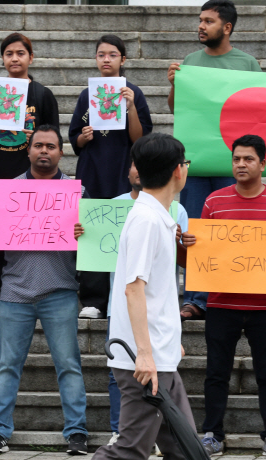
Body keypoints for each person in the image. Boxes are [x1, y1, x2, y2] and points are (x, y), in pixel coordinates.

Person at [182, 134, 266, 458]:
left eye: (248, 159)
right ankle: (212, 434)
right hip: (221, 304)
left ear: (263, 164)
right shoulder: (214, 202)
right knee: (216, 373)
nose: (241, 164)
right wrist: (188, 246)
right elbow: (199, 256)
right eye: (236, 159)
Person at [0, 125, 88, 455]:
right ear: (28, 150)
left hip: (61, 291)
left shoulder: (76, 193)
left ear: (61, 152)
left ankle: (77, 433)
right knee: (7, 366)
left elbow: (93, 249)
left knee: (69, 365)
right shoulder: (5, 193)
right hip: (14, 293)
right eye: (38, 145)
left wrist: (86, 234)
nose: (44, 151)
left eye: (50, 146)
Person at [91, 132, 194, 460]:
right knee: (130, 450)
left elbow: (155, 293)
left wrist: (168, 340)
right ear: (178, 171)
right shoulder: (146, 221)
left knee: (184, 448)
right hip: (144, 363)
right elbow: (133, 288)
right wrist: (145, 355)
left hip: (160, 357)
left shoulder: (159, 218)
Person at [167, 0, 262, 321]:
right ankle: (195, 298)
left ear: (227, 27)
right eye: (200, 20)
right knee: (195, 231)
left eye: (208, 21)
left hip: (236, 168)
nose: (201, 26)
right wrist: (173, 85)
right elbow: (176, 109)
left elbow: (262, 109)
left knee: (235, 230)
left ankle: (230, 293)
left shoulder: (247, 64)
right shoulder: (191, 61)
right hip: (196, 163)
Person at [0, 32, 59, 318]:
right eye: (9, 54)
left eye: (20, 53)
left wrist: (37, 137)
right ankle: (1, 300)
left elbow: (53, 137)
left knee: (32, 237)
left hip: (31, 177)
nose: (14, 58)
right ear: (3, 59)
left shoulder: (42, 94)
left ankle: (38, 295)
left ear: (31, 58)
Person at [69, 34, 153, 320]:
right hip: (92, 171)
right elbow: (73, 141)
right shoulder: (86, 95)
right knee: (92, 232)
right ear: (96, 59)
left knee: (123, 232)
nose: (106, 59)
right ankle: (93, 300)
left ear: (123, 60)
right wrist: (83, 136)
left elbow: (140, 139)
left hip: (123, 172)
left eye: (112, 55)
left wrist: (129, 107)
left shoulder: (134, 93)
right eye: (101, 54)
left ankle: (123, 295)